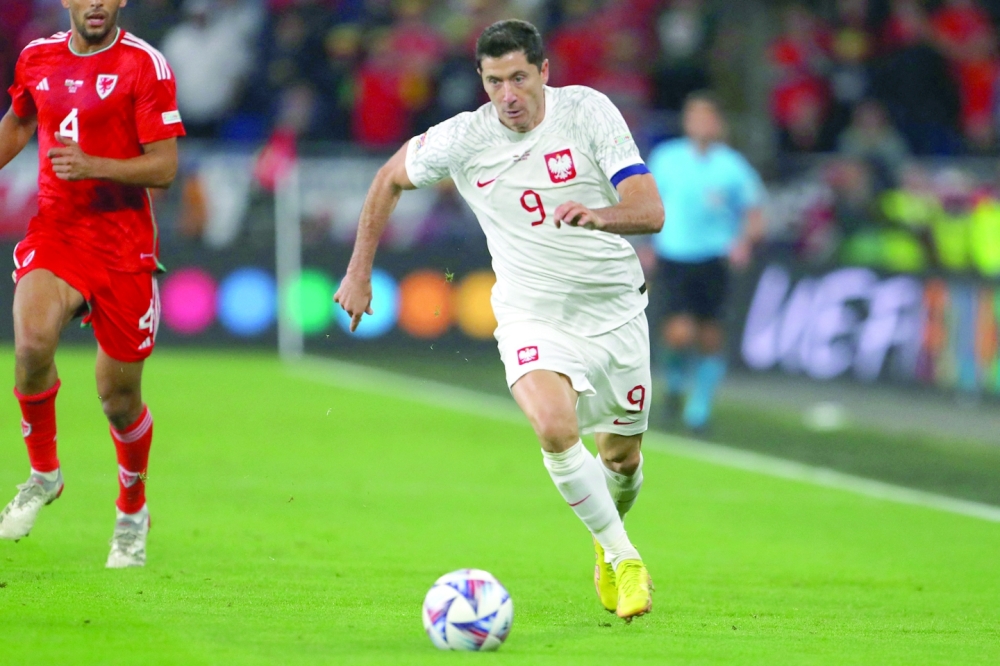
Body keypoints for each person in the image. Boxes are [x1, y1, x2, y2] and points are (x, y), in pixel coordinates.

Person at [335, 19, 663, 620]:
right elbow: (388, 179)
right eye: (493, 81)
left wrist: (598, 215)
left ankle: (603, 537)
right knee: (553, 425)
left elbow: (650, 209)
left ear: (543, 72)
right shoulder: (464, 137)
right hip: (530, 313)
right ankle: (625, 557)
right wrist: (359, 272)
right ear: (481, 82)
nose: (507, 94)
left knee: (620, 459)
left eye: (518, 77)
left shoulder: (588, 112)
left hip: (614, 310)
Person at [0, 0, 185, 568]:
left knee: (118, 399)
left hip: (125, 247)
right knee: (31, 343)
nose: (97, 3)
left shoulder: (145, 66)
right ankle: (44, 473)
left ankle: (132, 509)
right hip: (58, 230)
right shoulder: (37, 57)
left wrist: (97, 164)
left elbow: (166, 167)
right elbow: (21, 120)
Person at [647, 92, 765, 431]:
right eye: (694, 117)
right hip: (673, 255)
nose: (700, 124)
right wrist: (647, 243)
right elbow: (649, 202)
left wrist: (743, 242)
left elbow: (755, 213)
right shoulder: (666, 158)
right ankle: (675, 384)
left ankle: (699, 406)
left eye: (706, 117)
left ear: (717, 124)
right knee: (678, 334)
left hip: (712, 259)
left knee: (710, 334)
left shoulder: (732, 166)